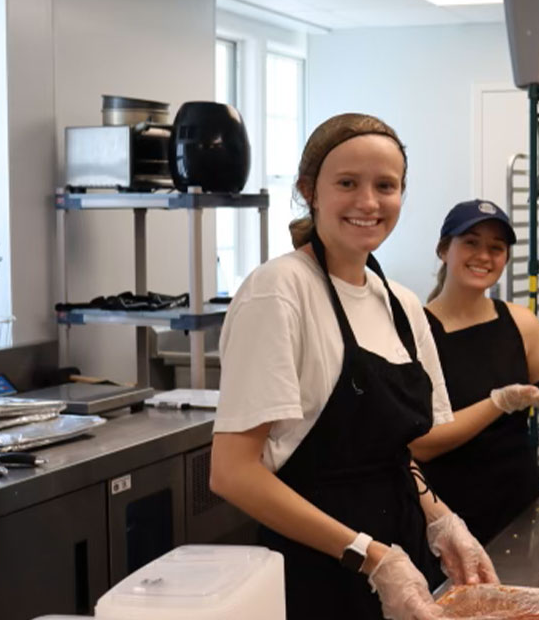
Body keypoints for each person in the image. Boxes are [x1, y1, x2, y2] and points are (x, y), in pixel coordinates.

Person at [209, 114, 497, 620]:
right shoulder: (278, 292)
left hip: (402, 560)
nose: (368, 202)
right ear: (309, 190)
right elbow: (233, 474)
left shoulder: (404, 307)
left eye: (385, 186)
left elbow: (392, 453)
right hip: (316, 571)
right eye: (347, 183)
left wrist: (441, 520)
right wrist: (370, 558)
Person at [413, 199, 539, 544]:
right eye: (471, 242)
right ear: (443, 249)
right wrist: (499, 402)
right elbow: (422, 445)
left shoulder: (521, 323)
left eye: (496, 248)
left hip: (519, 500)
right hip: (448, 513)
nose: (484, 255)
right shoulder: (416, 330)